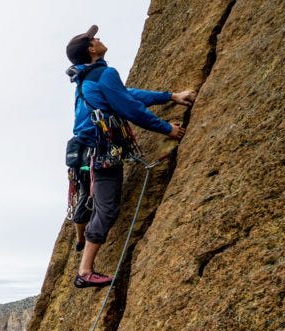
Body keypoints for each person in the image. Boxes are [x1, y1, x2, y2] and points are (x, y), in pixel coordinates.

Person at [66, 25, 196, 287]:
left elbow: (126, 96)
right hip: (102, 152)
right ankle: (85, 272)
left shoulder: (86, 79)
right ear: (91, 49)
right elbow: (129, 108)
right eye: (95, 38)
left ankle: (81, 240)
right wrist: (167, 128)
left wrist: (169, 96)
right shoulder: (103, 73)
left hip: (79, 150)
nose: (99, 38)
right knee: (107, 208)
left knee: (83, 196)